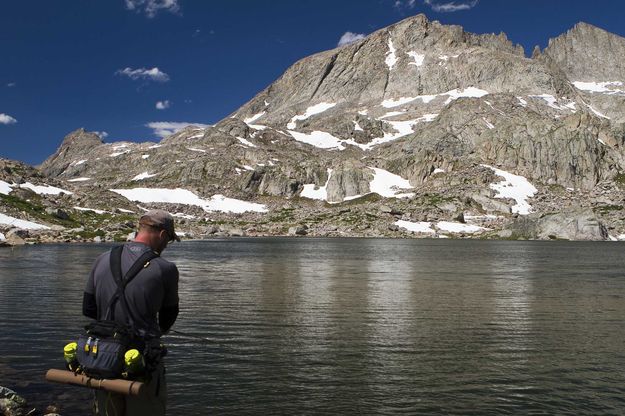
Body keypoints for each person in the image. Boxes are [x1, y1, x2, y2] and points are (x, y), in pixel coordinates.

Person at [82, 209, 180, 415]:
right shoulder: (166, 268)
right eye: (168, 240)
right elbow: (167, 318)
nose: (166, 245)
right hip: (141, 363)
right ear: (162, 235)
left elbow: (88, 309)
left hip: (103, 359)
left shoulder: (102, 258)